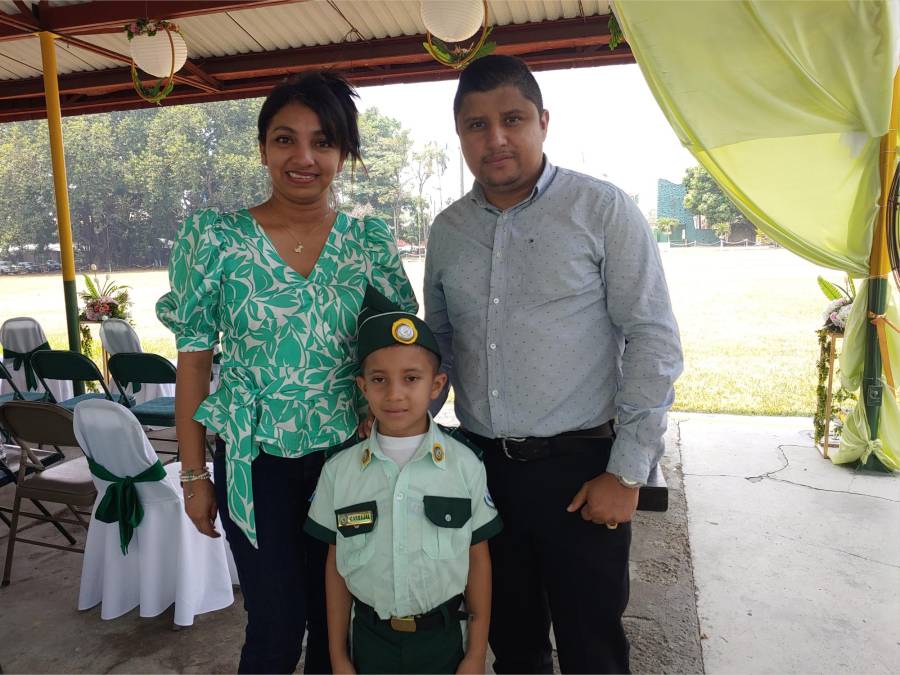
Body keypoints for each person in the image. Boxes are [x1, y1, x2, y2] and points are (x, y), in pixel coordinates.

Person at [424, 55, 683, 674]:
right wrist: (406, 438)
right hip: (484, 473)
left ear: (542, 121)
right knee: (511, 644)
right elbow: (441, 345)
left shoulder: (601, 210)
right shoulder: (448, 230)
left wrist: (626, 473)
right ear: (460, 134)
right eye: (476, 126)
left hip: (583, 472)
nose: (496, 139)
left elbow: (652, 337)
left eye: (512, 119)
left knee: (592, 645)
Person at [156, 72, 417, 674]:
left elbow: (398, 354)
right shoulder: (216, 238)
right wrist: (194, 475)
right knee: (274, 624)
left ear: (343, 153)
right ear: (263, 148)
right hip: (255, 463)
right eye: (284, 140)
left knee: (339, 624)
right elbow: (193, 363)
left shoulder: (367, 243)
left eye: (323, 142)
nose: (303, 158)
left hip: (348, 464)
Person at [304, 287, 502, 674]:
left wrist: (476, 653)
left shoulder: (464, 465)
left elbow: (478, 560)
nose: (394, 394)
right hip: (370, 640)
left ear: (436, 385)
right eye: (379, 380)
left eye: (411, 378)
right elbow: (335, 567)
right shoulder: (340, 471)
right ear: (362, 387)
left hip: (443, 640)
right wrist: (338, 656)